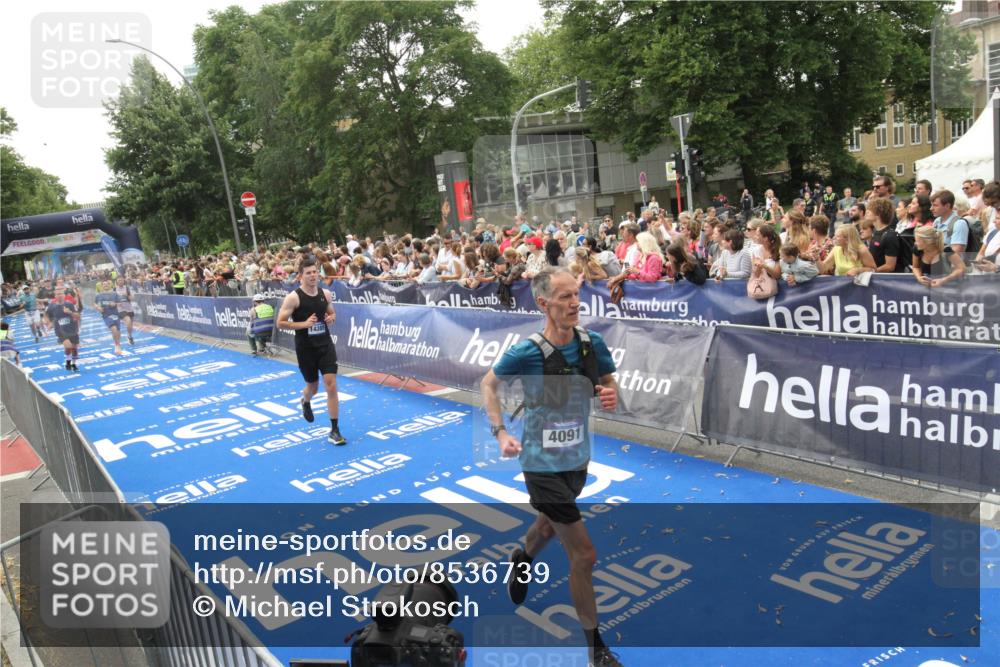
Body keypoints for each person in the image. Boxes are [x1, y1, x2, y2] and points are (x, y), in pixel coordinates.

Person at [480, 267, 622, 667]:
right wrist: (500, 433)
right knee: (584, 555)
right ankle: (596, 649)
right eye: (564, 297)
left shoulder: (591, 344)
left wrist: (611, 395)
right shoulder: (527, 351)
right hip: (540, 463)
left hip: (577, 460)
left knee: (547, 526)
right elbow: (488, 384)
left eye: (576, 294)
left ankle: (522, 557)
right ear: (543, 303)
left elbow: (611, 384)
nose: (574, 303)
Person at [276, 257, 347, 446]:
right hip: (305, 349)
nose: (313, 275)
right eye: (308, 273)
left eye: (315, 272)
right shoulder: (294, 297)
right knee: (313, 388)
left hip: (325, 345)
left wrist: (331, 318)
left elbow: (331, 312)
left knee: (331, 384)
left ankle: (335, 429)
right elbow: (280, 322)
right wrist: (304, 324)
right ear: (301, 276)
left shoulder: (326, 294)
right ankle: (305, 399)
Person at [44, 287, 82, 372]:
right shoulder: (51, 306)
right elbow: (46, 316)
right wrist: (48, 323)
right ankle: (68, 359)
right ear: (55, 296)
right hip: (60, 331)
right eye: (58, 294)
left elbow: (78, 316)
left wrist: (70, 312)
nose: (60, 295)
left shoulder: (70, 304)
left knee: (74, 349)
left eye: (61, 294)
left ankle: (73, 363)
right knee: (68, 346)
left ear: (64, 295)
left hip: (73, 329)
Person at [94, 280, 124, 355]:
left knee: (118, 331)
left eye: (107, 284)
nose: (106, 285)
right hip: (106, 315)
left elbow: (121, 303)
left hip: (115, 314)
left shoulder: (114, 294)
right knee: (113, 329)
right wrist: (98, 307)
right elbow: (94, 303)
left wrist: (115, 304)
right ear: (102, 286)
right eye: (104, 284)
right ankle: (116, 345)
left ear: (110, 285)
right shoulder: (99, 295)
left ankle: (118, 344)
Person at [115, 277, 136, 345]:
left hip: (129, 307)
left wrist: (127, 295)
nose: (120, 281)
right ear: (117, 282)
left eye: (121, 280)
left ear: (124, 281)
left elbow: (132, 298)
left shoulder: (127, 288)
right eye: (119, 280)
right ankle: (129, 337)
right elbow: (112, 300)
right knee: (128, 321)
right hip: (120, 308)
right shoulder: (114, 289)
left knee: (130, 324)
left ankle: (129, 336)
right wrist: (116, 303)